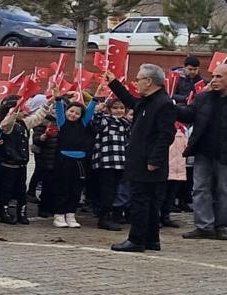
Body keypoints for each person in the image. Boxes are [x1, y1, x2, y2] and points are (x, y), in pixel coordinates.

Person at [106, 65, 179, 253]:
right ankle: (151, 239)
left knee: (142, 201)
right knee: (150, 201)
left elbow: (166, 135)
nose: (136, 82)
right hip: (140, 159)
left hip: (149, 162)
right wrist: (113, 83)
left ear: (149, 81)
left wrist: (155, 160)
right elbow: (131, 101)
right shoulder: (147, 101)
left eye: (138, 79)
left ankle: (137, 240)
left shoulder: (163, 103)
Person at [175, 61, 227, 239]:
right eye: (213, 76)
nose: (214, 80)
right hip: (203, 150)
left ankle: (222, 226)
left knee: (223, 189)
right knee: (200, 188)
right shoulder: (204, 97)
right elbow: (189, 114)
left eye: (219, 76)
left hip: (224, 153)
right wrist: (172, 107)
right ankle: (204, 226)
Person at [44, 93, 94, 228]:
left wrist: (95, 99)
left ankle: (71, 213)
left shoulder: (83, 124)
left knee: (76, 189)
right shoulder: (62, 122)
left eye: (77, 113)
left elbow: (89, 111)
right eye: (71, 111)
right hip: (63, 160)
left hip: (80, 161)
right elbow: (59, 109)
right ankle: (59, 214)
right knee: (62, 187)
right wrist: (58, 97)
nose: (73, 114)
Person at [90, 98, 131, 231]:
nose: (119, 111)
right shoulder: (105, 120)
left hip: (120, 161)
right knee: (107, 190)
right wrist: (98, 110)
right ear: (109, 109)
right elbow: (96, 123)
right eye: (115, 108)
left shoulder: (125, 123)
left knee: (115, 190)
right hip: (106, 161)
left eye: (121, 108)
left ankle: (112, 215)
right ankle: (103, 218)